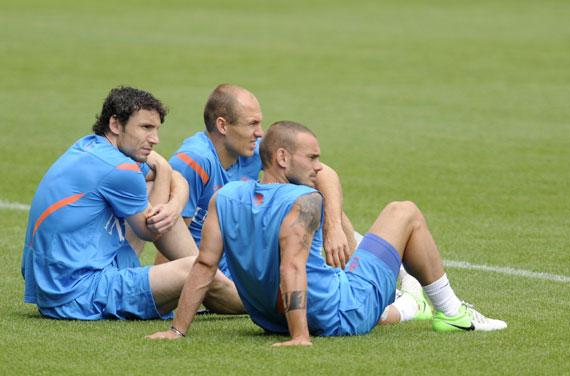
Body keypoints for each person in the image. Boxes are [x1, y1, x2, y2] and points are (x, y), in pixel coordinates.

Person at [147, 120, 507, 344]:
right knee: (404, 211)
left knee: (345, 271)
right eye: (314, 158)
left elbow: (204, 265)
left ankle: (410, 302)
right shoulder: (305, 200)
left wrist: (179, 330)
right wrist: (301, 337)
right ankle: (452, 313)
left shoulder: (225, 198)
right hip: (338, 312)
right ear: (283, 159)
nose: (320, 167)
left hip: (271, 320)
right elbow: (292, 268)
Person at [21, 86, 241, 320]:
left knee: (155, 190)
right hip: (80, 293)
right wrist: (165, 171)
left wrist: (174, 204)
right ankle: (258, 305)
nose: (155, 139)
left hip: (59, 285)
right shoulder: (121, 169)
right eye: (146, 127)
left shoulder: (92, 147)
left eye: (156, 129)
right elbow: (150, 230)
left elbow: (177, 180)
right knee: (192, 270)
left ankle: (212, 277)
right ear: (115, 124)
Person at [162, 84, 355, 278]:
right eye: (252, 124)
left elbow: (323, 173)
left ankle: (353, 264)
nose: (260, 133)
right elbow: (170, 236)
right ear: (223, 126)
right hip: (217, 276)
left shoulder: (250, 150)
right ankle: (352, 279)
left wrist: (333, 228)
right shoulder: (195, 161)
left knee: (316, 194)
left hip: (247, 262)